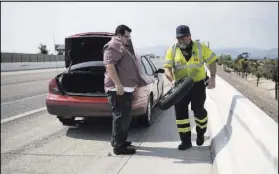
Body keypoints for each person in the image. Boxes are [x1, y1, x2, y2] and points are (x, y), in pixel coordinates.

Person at [164, 25, 217, 150]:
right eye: (178, 38)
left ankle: (200, 132)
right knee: (181, 115)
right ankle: (186, 141)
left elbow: (212, 61)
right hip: (180, 87)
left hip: (197, 85)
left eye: (183, 37)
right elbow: (167, 67)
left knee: (199, 111)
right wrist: (171, 80)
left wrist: (213, 77)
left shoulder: (200, 47)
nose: (181, 40)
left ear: (189, 36)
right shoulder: (172, 49)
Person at [103, 25, 145, 155]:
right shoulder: (113, 45)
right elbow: (109, 65)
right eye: (127, 36)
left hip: (124, 89)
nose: (128, 39)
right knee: (121, 117)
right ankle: (119, 147)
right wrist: (118, 84)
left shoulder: (121, 46)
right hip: (118, 89)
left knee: (123, 117)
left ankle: (118, 140)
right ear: (119, 35)